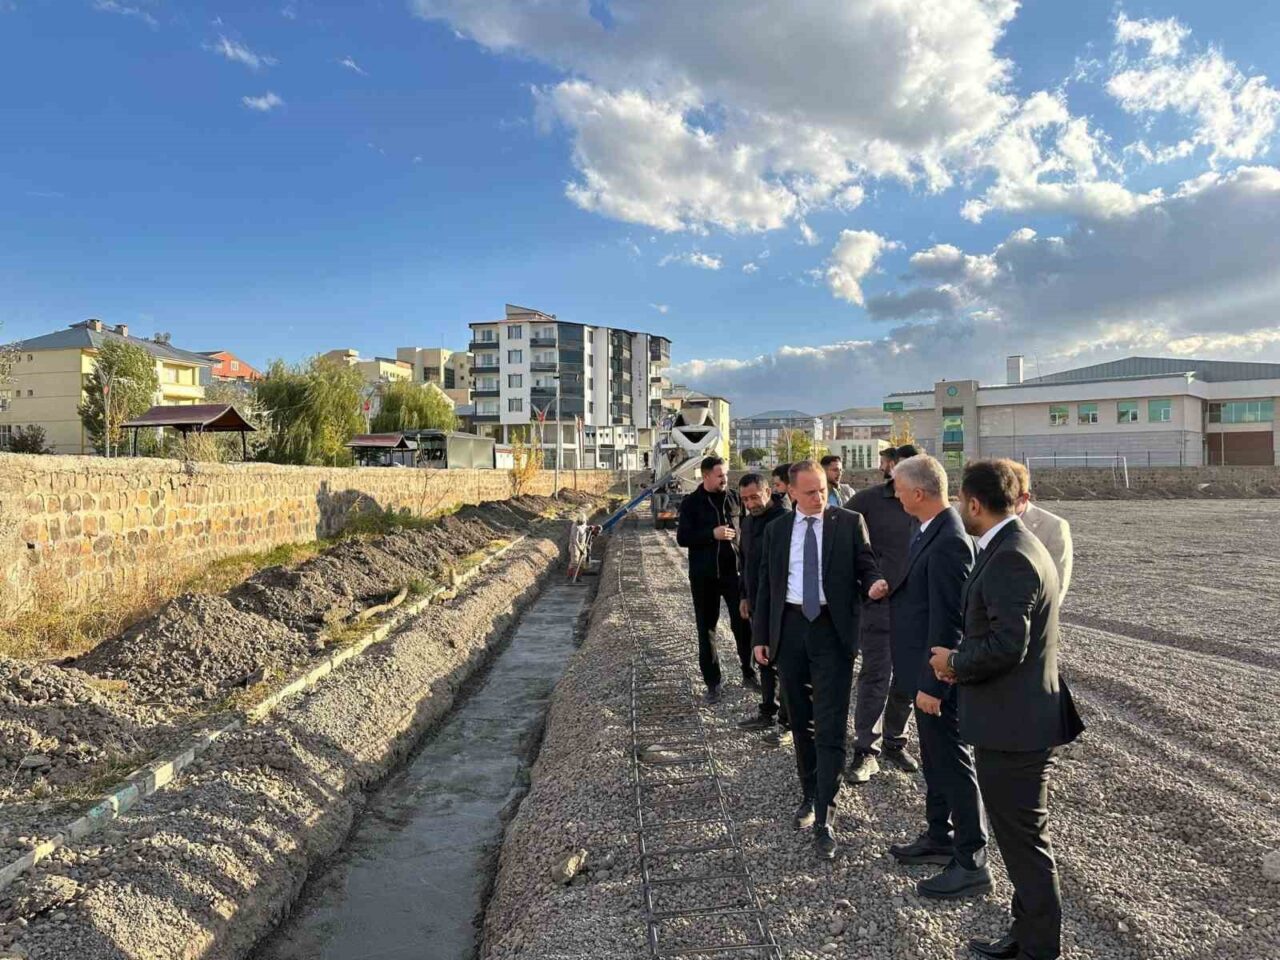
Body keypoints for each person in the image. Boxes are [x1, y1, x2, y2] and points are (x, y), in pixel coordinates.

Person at [929, 460, 1084, 960]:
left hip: (1015, 727)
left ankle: (1039, 949)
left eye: (960, 501)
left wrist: (953, 662)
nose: (958, 508)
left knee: (1024, 843)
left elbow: (1005, 645)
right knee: (1020, 840)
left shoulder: (1011, 556)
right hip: (1016, 720)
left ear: (974, 504)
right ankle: (1026, 936)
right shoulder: (1012, 544)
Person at [752, 461, 888, 860]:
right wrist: (762, 636)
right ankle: (808, 793)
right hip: (790, 630)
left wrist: (874, 583)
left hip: (832, 631)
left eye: (823, 490)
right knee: (800, 720)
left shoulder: (848, 522)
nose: (819, 497)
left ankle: (826, 814)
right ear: (791, 492)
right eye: (810, 491)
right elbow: (766, 585)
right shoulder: (777, 530)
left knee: (830, 723)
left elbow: (866, 564)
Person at [885, 455, 990, 899]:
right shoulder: (925, 529)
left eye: (897, 487)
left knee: (952, 760)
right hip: (919, 670)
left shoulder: (949, 540)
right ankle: (938, 837)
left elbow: (950, 621)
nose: (893, 493)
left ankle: (971, 860)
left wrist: (934, 684)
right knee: (933, 757)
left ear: (919, 494)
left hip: (937, 677)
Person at [844, 443, 920, 783]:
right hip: (878, 608)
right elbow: (840, 539)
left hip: (917, 609)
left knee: (907, 681)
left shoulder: (928, 504)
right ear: (892, 467)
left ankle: (894, 741)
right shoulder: (867, 502)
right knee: (876, 677)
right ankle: (866, 750)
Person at [677, 455, 757, 703]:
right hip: (704, 577)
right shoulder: (691, 503)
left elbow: (747, 527)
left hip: (734, 574)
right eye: (720, 475)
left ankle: (749, 671)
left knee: (743, 625)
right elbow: (683, 538)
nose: (725, 479)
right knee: (707, 629)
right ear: (706, 476)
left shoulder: (734, 498)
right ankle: (713, 683)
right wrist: (712, 534)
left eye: (726, 475)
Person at [735, 473, 791, 745]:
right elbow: (745, 562)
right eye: (745, 499)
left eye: (755, 497)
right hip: (757, 602)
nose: (750, 503)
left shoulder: (784, 521)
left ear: (768, 492)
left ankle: (788, 721)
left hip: (781, 604)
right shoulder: (747, 522)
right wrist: (744, 595)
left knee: (784, 662)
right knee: (763, 658)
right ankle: (768, 710)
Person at [1007, 461, 1073, 603]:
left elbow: (1056, 587)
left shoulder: (1054, 527)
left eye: (1008, 501)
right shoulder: (981, 523)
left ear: (1024, 498)